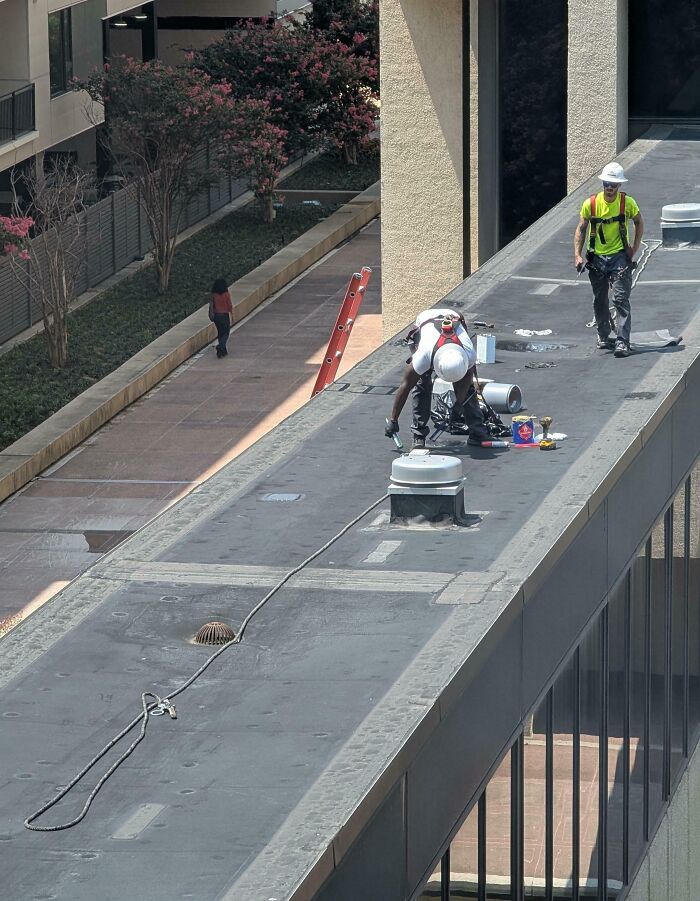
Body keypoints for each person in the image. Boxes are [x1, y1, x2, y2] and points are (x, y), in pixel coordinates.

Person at [384, 308, 490, 450]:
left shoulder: (468, 354)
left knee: (467, 388)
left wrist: (458, 404)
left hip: (452, 316)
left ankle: (477, 432)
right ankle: (419, 435)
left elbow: (465, 383)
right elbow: (405, 386)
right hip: (426, 321)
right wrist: (393, 420)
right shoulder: (423, 357)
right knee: (422, 384)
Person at [574, 161, 644, 358]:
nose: (610, 188)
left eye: (613, 185)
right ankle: (603, 335)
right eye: (607, 184)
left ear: (619, 185)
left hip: (620, 257)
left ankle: (623, 341)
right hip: (596, 258)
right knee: (600, 300)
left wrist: (634, 249)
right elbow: (581, 229)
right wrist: (578, 255)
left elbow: (639, 222)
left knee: (620, 299)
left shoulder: (627, 203)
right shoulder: (591, 204)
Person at [210, 278, 234, 358]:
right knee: (226, 332)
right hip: (224, 315)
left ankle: (222, 351)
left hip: (216, 316)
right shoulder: (226, 294)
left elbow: (211, 305)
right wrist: (232, 314)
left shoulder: (214, 294)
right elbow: (229, 305)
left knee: (220, 332)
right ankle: (220, 346)